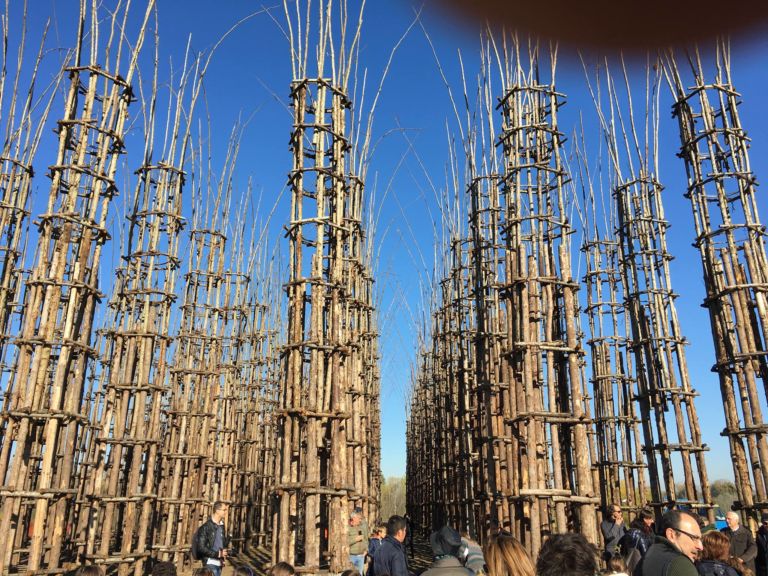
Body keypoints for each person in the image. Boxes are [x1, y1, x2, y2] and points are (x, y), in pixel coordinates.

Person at [638, 509, 703, 576]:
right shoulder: (681, 565)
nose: (701, 547)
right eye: (694, 538)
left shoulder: (648, 557)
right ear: (671, 535)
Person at [196, 501, 231, 576]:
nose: (226, 512)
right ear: (217, 511)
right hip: (210, 563)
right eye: (224, 510)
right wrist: (217, 554)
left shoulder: (222, 526)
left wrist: (222, 556)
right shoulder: (205, 527)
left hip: (219, 563)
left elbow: (220, 544)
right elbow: (201, 548)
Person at [619, 508, 655, 573]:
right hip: (640, 564)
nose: (652, 521)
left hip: (631, 564)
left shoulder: (633, 530)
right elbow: (645, 552)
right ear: (645, 519)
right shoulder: (639, 533)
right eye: (650, 519)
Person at [349, 509, 371, 575]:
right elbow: (344, 542)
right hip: (351, 556)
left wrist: (366, 550)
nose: (360, 520)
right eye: (359, 518)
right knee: (351, 574)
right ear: (354, 518)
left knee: (360, 574)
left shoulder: (361, 528)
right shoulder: (347, 528)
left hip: (361, 556)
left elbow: (365, 539)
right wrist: (355, 539)